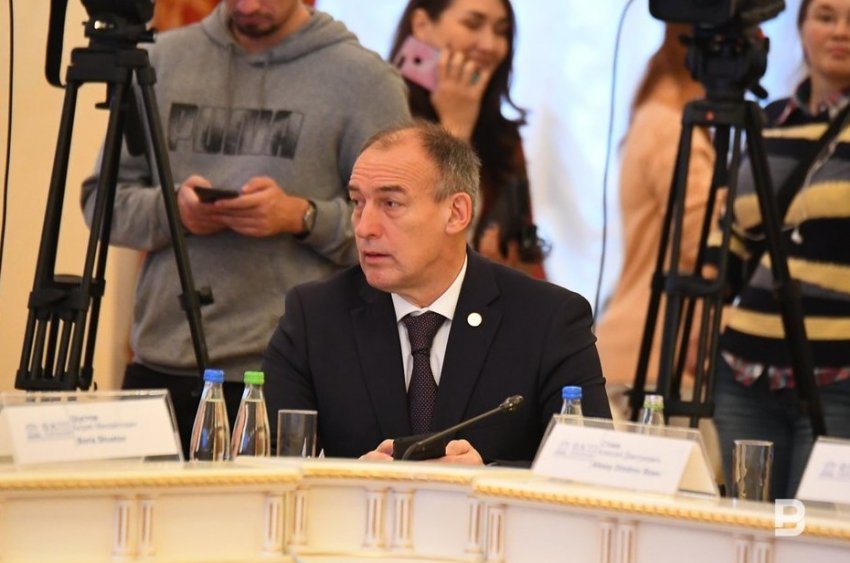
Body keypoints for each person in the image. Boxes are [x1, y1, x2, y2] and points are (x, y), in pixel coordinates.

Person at [80, 0, 410, 455]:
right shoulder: (159, 60)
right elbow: (100, 203)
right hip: (161, 362)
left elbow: (401, 229)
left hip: (289, 373)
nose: (249, 5)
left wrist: (302, 217)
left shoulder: (365, 81)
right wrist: (175, 212)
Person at [262, 121, 610, 464]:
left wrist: (488, 476)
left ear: (456, 213)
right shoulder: (314, 317)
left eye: (391, 204)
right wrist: (352, 480)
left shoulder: (548, 319)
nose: (365, 228)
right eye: (358, 202)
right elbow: (272, 462)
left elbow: (591, 466)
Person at [711, 0, 850, 499]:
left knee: (813, 531)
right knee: (745, 528)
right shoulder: (768, 121)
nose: (840, 32)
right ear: (802, 27)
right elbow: (729, 229)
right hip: (743, 368)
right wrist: (709, 310)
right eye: (826, 17)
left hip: (838, 373)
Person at [594, 24, 714, 416]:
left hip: (648, 342)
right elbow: (701, 242)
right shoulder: (671, 127)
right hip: (665, 349)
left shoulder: (654, 117)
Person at [388, 0, 546, 278]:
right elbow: (403, 243)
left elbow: (528, 257)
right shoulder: (384, 118)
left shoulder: (504, 138)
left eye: (501, 31)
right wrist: (456, 129)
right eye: (472, 24)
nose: (489, 45)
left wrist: (517, 272)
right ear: (422, 25)